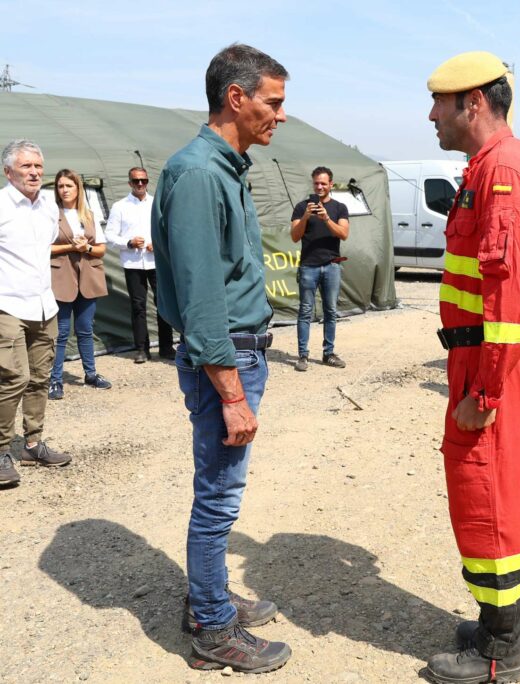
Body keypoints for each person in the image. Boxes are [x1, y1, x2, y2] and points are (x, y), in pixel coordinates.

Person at [151, 44, 291, 673]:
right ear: (237, 98)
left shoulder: (224, 167)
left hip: (236, 351)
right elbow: (203, 296)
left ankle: (208, 596)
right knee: (218, 496)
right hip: (225, 357)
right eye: (274, 102)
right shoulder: (202, 173)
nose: (281, 116)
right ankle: (212, 627)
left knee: (221, 491)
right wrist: (232, 393)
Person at [424, 51, 520, 684]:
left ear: (472, 102)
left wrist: (484, 387)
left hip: (490, 358)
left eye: (440, 104)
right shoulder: (496, 165)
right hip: (487, 354)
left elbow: (508, 296)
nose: (431, 115)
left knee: (487, 494)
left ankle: (497, 649)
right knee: (497, 486)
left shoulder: (502, 170)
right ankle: (514, 627)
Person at [0, 139, 72, 487]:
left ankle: (31, 444)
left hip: (44, 304)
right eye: (26, 166)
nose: (34, 172)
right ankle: (1, 452)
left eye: (38, 166)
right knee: (13, 379)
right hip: (7, 304)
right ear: (8, 171)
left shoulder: (47, 205)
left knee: (40, 377)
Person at [48, 168, 111, 400]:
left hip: (88, 277)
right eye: (60, 186)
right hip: (62, 278)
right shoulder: (51, 214)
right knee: (62, 332)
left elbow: (101, 249)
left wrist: (88, 249)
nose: (64, 190)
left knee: (85, 330)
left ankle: (91, 374)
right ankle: (55, 380)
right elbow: (45, 247)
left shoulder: (89, 215)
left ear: (78, 189)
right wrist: (71, 247)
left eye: (68, 186)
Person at [104, 167, 174, 363]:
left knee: (163, 304)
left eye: (143, 180)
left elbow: (167, 229)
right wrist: (128, 242)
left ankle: (166, 347)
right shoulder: (120, 206)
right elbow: (109, 235)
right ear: (130, 183)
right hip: (133, 263)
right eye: (136, 181)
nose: (140, 184)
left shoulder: (156, 203)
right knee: (138, 306)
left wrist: (157, 243)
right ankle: (142, 349)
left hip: (156, 261)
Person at [289, 166, 350, 371]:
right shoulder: (301, 207)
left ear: (331, 184)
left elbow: (343, 234)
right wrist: (306, 216)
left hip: (332, 265)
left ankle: (328, 353)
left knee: (330, 311)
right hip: (308, 265)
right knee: (305, 311)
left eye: (324, 183)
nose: (320, 186)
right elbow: (295, 236)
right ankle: (303, 356)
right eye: (316, 183)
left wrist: (326, 219)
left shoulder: (340, 208)